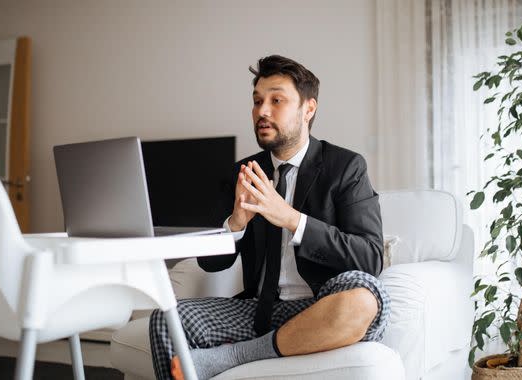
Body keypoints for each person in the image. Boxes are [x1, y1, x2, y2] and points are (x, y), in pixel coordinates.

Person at [149, 55, 390, 380]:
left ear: (308, 109)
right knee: (168, 318)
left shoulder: (346, 167)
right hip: (258, 309)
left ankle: (237, 355)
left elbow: (370, 257)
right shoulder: (244, 172)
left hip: (322, 305)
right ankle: (264, 343)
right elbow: (210, 264)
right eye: (257, 101)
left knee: (365, 297)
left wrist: (292, 219)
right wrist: (234, 225)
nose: (262, 111)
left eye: (277, 100)